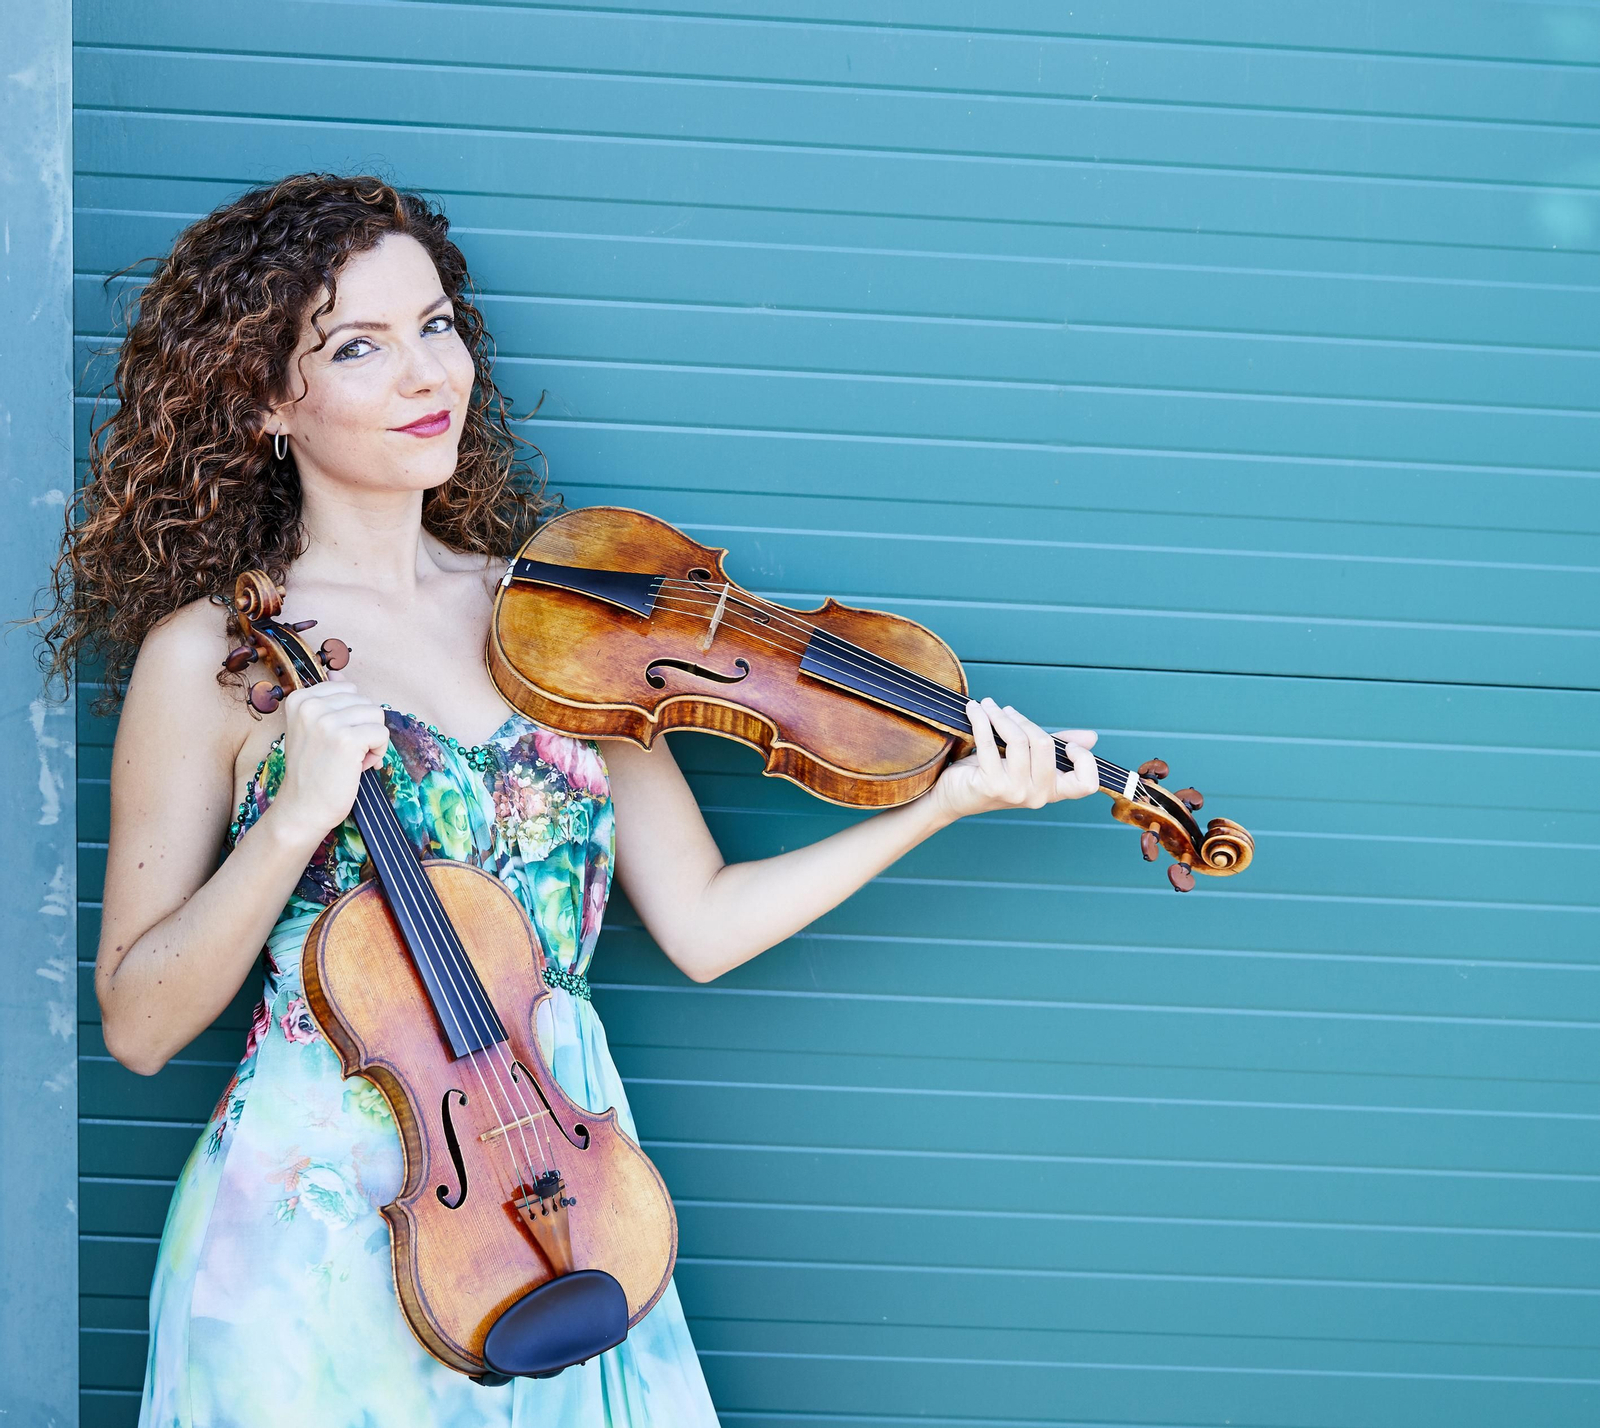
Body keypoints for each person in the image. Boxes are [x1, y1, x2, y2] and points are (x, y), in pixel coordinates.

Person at [41, 173, 1100, 1428]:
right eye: (358, 348)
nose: (427, 377)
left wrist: (939, 806)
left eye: (436, 327)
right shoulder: (210, 656)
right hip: (311, 1235)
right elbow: (140, 1024)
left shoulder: (563, 622)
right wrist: (290, 821)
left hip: (563, 1214)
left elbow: (700, 924)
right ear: (271, 398)